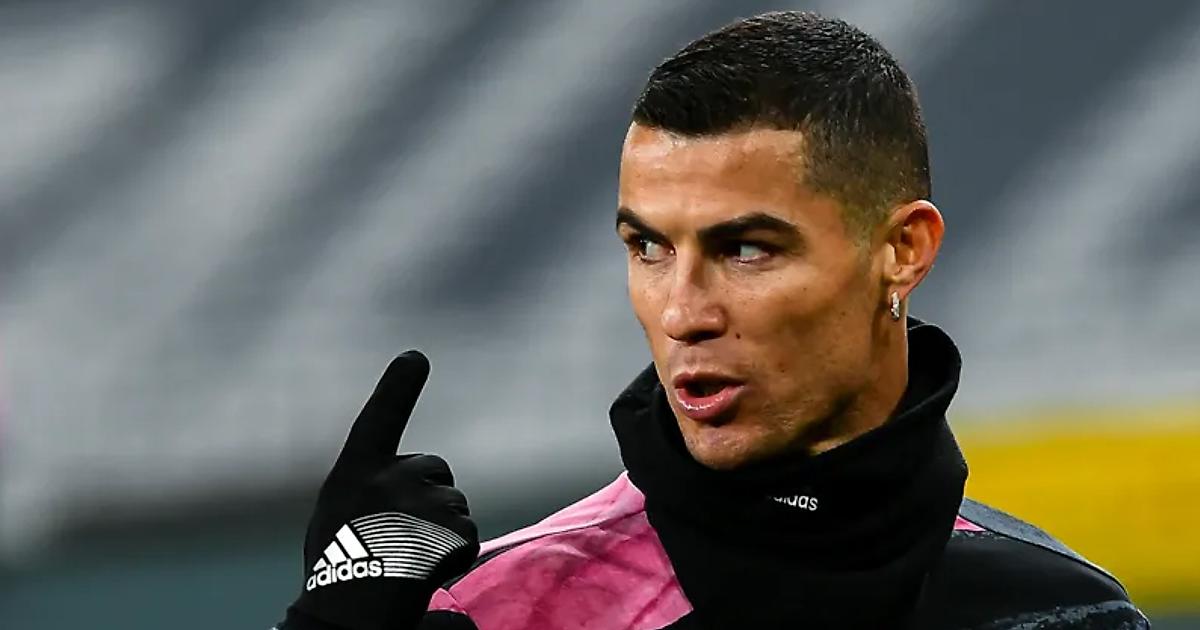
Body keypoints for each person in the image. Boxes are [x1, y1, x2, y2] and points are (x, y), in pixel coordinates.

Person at [277, 11, 1148, 630]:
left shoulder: (1059, 611)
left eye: (747, 249)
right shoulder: (503, 611)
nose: (683, 311)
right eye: (648, 247)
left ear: (903, 250)